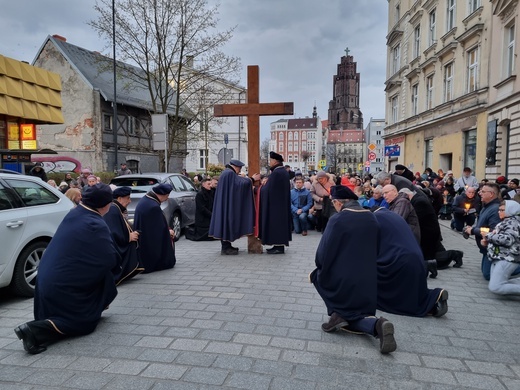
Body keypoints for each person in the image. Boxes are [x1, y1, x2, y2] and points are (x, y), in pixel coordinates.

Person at [14, 184, 118, 355]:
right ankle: (33, 330)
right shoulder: (95, 222)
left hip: (46, 284)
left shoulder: (76, 213)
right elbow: (109, 258)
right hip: (63, 289)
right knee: (84, 323)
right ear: (105, 204)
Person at [309, 185, 397, 354]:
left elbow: (322, 253)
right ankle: (376, 325)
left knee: (315, 276)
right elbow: (379, 247)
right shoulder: (371, 217)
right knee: (358, 314)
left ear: (338, 203)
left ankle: (338, 313)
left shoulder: (338, 219)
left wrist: (322, 268)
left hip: (344, 283)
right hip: (369, 281)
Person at [372, 206, 448, 317]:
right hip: (415, 258)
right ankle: (435, 296)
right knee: (412, 291)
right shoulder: (393, 216)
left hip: (399, 260)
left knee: (385, 292)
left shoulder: (376, 218)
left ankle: (433, 302)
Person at [209, 159, 254, 255]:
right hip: (226, 205)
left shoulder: (226, 173)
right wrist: (251, 180)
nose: (240, 170)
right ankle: (225, 248)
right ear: (235, 167)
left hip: (224, 203)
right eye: (240, 168)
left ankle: (227, 246)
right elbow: (238, 184)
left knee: (224, 223)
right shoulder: (229, 173)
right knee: (226, 222)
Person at [103, 186, 143, 284]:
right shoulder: (113, 209)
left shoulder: (116, 208)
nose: (129, 201)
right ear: (119, 198)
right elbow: (113, 232)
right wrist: (128, 237)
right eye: (128, 198)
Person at [133, 183, 176, 272]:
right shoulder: (153, 206)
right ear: (162, 195)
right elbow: (158, 230)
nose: (167, 198)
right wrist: (168, 232)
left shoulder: (147, 200)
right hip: (149, 247)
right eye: (167, 195)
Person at [464, 183, 502, 280]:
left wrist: (473, 230)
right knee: (486, 273)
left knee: (488, 274)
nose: (480, 193)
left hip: (493, 249)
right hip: (486, 249)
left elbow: (494, 231)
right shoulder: (486, 206)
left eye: (483, 192)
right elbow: (482, 224)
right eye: (480, 191)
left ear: (491, 194)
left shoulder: (495, 209)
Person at [481, 200, 520, 295]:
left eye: (502, 210)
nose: (499, 212)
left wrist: (488, 235)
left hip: (507, 258)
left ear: (511, 210)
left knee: (495, 287)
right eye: (499, 210)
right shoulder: (507, 222)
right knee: (497, 283)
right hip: (500, 257)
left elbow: (507, 240)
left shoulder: (512, 223)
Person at [257, 151, 292, 254]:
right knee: (278, 225)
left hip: (277, 206)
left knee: (277, 225)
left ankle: (278, 246)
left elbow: (268, 189)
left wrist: (258, 188)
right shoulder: (282, 171)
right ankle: (277, 245)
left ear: (275, 161)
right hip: (279, 204)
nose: (269, 162)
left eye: (271, 160)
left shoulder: (277, 173)